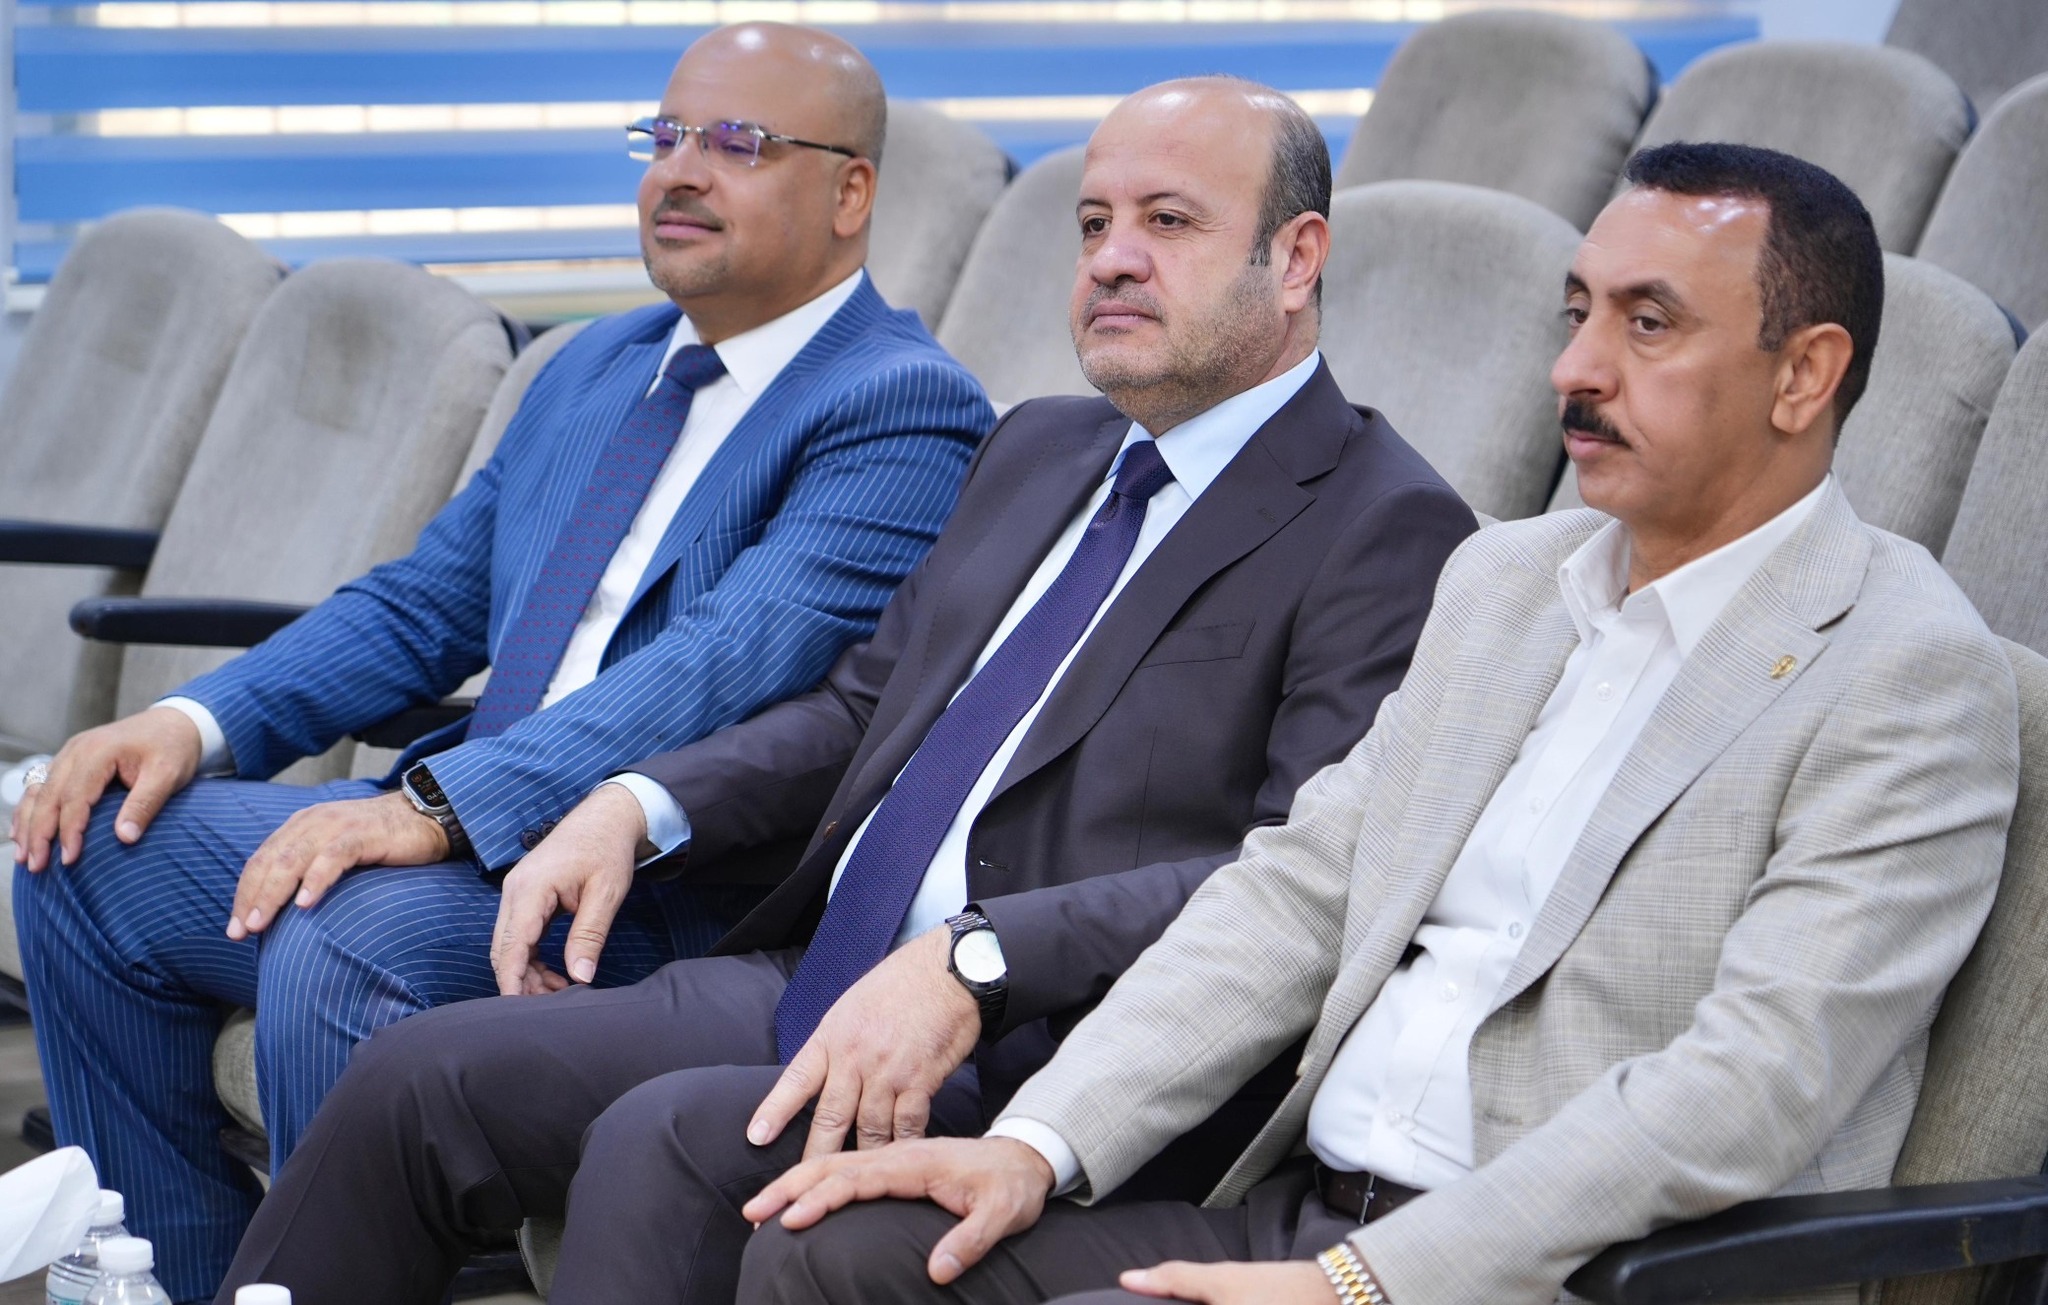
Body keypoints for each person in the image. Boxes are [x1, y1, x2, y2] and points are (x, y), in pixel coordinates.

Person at [213, 77, 1479, 1305]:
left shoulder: (1385, 525)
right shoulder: (1041, 446)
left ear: (1295, 258)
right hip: (821, 965)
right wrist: (636, 804)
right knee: (414, 1081)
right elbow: (861, 711)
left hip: (1038, 1041)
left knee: (666, 1144)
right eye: (1093, 223)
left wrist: (976, 960)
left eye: (1168, 222)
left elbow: (1291, 879)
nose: (1110, 259)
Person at [730, 142, 2025, 1305]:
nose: (1575, 368)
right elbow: (1300, 891)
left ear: (1804, 375)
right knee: (830, 1245)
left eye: (1648, 324)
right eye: (1576, 313)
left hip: (1568, 1272)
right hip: (1309, 1204)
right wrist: (1035, 1145)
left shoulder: (1906, 675)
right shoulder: (1510, 581)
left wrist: (1359, 1285)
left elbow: (1755, 1082)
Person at [10, 22, 993, 1300]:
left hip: (663, 886)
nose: (679, 170)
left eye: (737, 144)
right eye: (665, 136)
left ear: (850, 192)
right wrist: (195, 722)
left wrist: (432, 810)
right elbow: (426, 602)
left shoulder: (900, 404)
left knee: (343, 932)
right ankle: (187, 1281)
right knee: (84, 845)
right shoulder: (595, 363)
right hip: (475, 833)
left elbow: (722, 663)